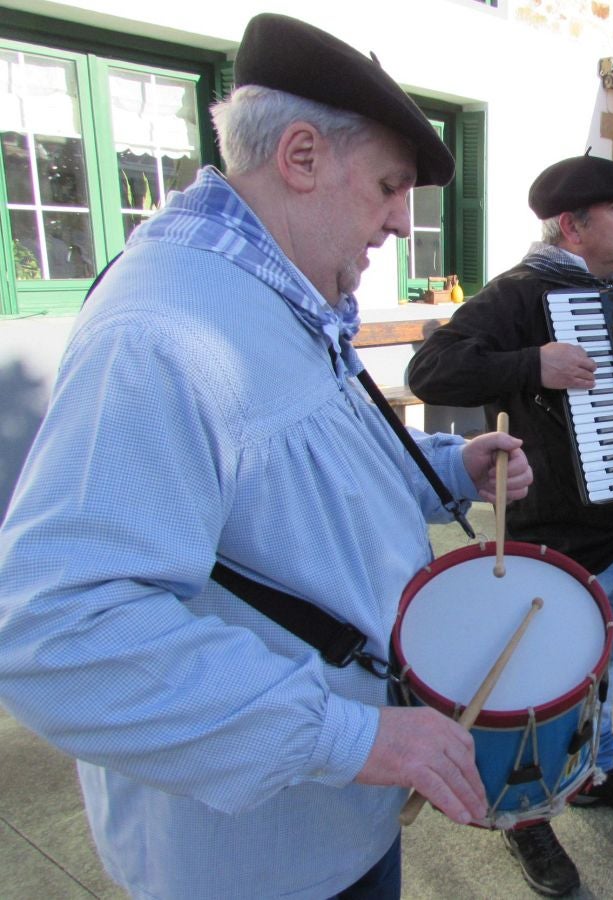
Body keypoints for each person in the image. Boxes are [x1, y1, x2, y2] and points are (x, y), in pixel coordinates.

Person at [0, 14, 534, 899]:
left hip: (338, 814)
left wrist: (444, 468)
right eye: (388, 185)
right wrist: (353, 738)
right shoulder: (163, 332)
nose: (403, 222)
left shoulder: (271, 284)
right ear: (300, 156)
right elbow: (59, 633)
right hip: (260, 863)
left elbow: (293, 483)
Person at [407, 153, 613, 897]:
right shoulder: (523, 293)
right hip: (558, 540)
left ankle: (592, 770)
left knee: (603, 669)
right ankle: (525, 815)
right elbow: (433, 368)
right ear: (571, 223)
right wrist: (533, 364)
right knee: (536, 684)